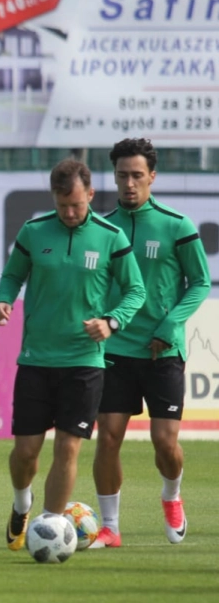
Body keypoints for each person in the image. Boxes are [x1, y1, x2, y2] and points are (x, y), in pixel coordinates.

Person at [0, 158, 145, 552]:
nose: (71, 213)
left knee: (68, 447)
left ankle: (47, 529)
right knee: (25, 452)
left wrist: (111, 322)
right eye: (63, 206)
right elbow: (12, 275)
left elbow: (135, 291)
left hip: (84, 362)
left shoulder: (111, 236)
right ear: (54, 200)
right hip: (36, 360)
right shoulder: (33, 231)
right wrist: (4, 301)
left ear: (90, 195)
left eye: (77, 204)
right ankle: (22, 503)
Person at [92, 139, 210, 547]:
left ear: (152, 177)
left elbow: (200, 283)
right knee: (107, 436)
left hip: (163, 351)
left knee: (165, 442)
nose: (129, 183)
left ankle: (172, 496)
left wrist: (170, 323)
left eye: (137, 176)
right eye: (122, 175)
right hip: (114, 351)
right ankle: (110, 526)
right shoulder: (101, 227)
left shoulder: (177, 225)